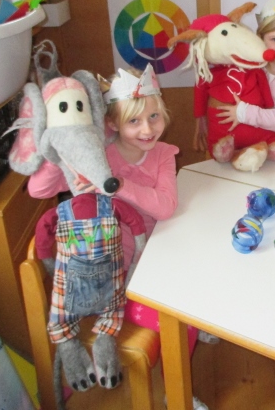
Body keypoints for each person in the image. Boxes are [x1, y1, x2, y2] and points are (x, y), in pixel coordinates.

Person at [29, 65, 209, 410]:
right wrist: (59, 150)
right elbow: (38, 190)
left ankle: (187, 345)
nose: (147, 128)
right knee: (176, 317)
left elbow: (165, 206)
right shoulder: (99, 154)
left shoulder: (162, 155)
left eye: (154, 116)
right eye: (134, 121)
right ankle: (177, 391)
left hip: (153, 256)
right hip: (111, 276)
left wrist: (119, 184)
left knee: (194, 290)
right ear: (112, 123)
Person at [213, 0, 275, 142]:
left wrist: (244, 113)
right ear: (261, 39)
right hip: (232, 143)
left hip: (269, 152)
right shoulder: (244, 68)